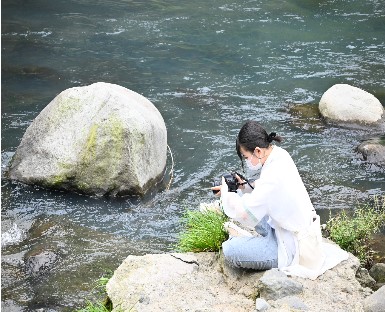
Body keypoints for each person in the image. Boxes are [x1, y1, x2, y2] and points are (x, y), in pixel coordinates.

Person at [212, 121, 348, 280]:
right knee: (243, 197)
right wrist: (243, 186)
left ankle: (243, 240)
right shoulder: (279, 154)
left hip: (290, 248)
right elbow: (265, 190)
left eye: (246, 157)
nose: (247, 161)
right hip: (284, 229)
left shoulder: (272, 176)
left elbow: (245, 215)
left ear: (257, 151)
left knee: (230, 250)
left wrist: (227, 194)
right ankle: (251, 242)